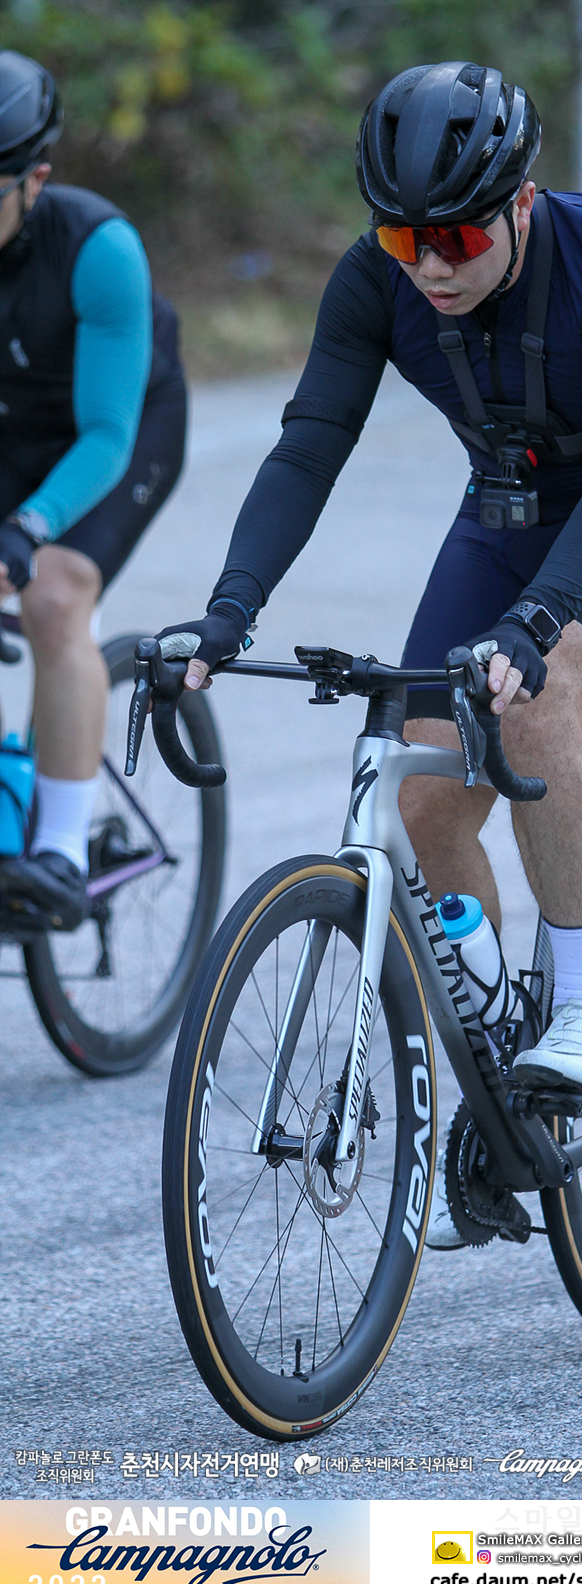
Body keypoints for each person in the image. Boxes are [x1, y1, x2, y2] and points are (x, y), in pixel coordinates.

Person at [157, 62, 582, 1233]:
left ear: (520, 205)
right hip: (508, 508)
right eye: (402, 236)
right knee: (425, 792)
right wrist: (228, 608)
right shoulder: (375, 279)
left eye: (458, 236)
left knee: (539, 694)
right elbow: (308, 446)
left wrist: (538, 622)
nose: (428, 264)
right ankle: (499, 1070)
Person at [0, 51, 187, 929]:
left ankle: (60, 853)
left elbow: (107, 434)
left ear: (34, 181)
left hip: (117, 430)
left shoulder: (96, 246)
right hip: (11, 430)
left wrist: (30, 527)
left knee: (53, 596)